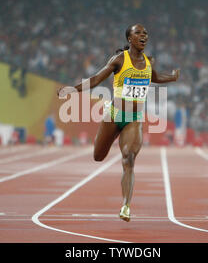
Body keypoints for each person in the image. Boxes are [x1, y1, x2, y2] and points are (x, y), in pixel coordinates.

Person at [58, 24, 179, 221]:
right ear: (129, 39)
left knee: (129, 159)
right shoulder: (119, 59)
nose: (143, 35)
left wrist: (172, 77)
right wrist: (72, 90)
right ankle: (124, 200)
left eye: (145, 33)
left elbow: (154, 77)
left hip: (134, 119)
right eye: (138, 33)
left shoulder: (149, 61)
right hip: (113, 115)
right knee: (98, 156)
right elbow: (96, 79)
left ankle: (126, 206)